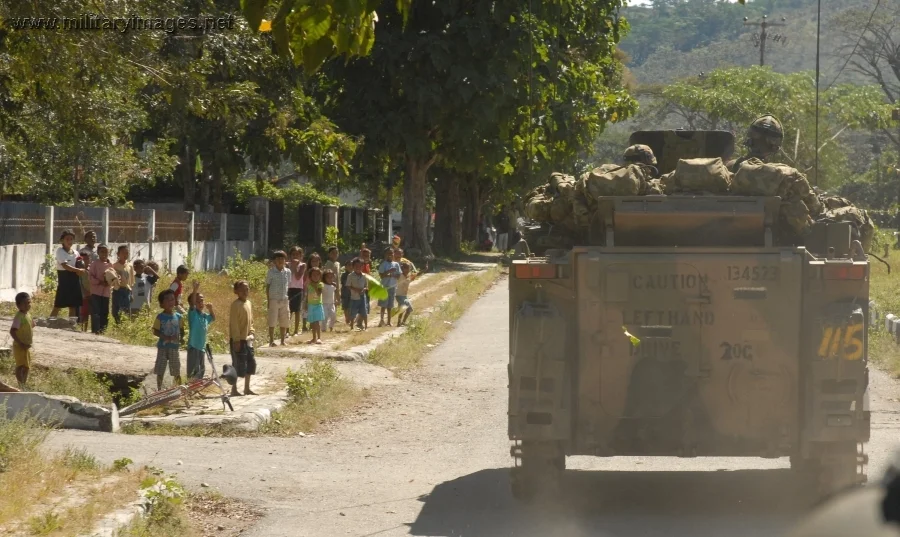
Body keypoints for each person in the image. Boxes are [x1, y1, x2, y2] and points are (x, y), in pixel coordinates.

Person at [152, 289, 184, 390]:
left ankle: (179, 389)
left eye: (172, 299)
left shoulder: (178, 317)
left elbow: (182, 330)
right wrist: (164, 336)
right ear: (162, 304)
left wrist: (181, 339)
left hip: (174, 348)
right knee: (160, 369)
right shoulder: (160, 317)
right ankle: (159, 390)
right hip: (162, 347)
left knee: (176, 370)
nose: (171, 302)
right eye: (167, 300)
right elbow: (155, 330)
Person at [50, 229, 86, 320]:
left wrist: (82, 268)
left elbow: (79, 262)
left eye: (71, 239)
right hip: (64, 280)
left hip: (74, 280)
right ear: (62, 240)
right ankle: (50, 322)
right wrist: (77, 270)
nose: (69, 241)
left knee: (73, 305)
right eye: (67, 239)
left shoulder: (76, 252)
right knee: (58, 305)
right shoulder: (60, 251)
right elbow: (65, 266)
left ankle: (71, 324)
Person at [229, 280, 256, 396]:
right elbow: (234, 324)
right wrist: (236, 340)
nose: (245, 292)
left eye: (247, 289)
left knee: (250, 363)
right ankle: (234, 389)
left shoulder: (249, 303)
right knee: (237, 364)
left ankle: (246, 388)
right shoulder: (235, 305)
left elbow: (251, 321)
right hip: (238, 340)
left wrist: (252, 332)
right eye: (242, 290)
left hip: (248, 339)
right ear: (236, 291)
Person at [186, 290, 215, 380]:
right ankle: (190, 387)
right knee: (193, 370)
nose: (200, 303)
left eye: (202, 301)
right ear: (193, 303)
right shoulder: (193, 314)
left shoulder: (204, 316)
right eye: (197, 301)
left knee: (201, 369)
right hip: (193, 346)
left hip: (201, 347)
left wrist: (210, 309)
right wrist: (195, 289)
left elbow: (213, 318)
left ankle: (197, 386)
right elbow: (192, 305)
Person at [265, 250, 291, 347]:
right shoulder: (271, 272)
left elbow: (288, 284)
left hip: (284, 299)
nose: (280, 260)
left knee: (284, 320)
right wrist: (268, 300)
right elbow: (267, 286)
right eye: (278, 259)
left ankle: (283, 340)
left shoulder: (288, 272)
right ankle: (271, 340)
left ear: (285, 260)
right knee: (272, 320)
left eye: (282, 258)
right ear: (275, 261)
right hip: (274, 299)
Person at [9, 292, 34, 389]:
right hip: (19, 346)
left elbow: (31, 325)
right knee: (20, 366)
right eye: (25, 303)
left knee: (26, 366)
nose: (28, 305)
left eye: (29, 303)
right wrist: (21, 343)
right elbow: (12, 331)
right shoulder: (19, 317)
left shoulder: (27, 315)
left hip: (26, 346)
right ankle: (21, 385)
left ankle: (24, 384)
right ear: (18, 305)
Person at [88, 244, 115, 334]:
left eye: (106, 252)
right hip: (96, 292)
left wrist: (110, 282)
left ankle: (103, 331)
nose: (104, 254)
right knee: (96, 312)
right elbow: (90, 277)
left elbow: (113, 277)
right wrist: (99, 282)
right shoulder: (94, 264)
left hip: (106, 292)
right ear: (98, 253)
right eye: (102, 252)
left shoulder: (110, 264)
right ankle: (95, 330)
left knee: (105, 312)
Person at [377, 248, 401, 327]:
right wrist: (388, 272)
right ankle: (381, 320)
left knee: (390, 305)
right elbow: (381, 276)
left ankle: (389, 321)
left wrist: (393, 275)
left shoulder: (396, 264)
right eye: (388, 253)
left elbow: (398, 275)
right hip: (384, 286)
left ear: (394, 254)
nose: (390, 255)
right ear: (386, 255)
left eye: (392, 253)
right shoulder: (383, 264)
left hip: (392, 286)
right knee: (383, 305)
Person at [111, 245, 134, 324]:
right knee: (116, 310)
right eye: (123, 253)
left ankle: (125, 325)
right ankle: (117, 324)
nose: (125, 255)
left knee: (126, 310)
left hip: (127, 290)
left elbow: (131, 281)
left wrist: (131, 293)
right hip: (118, 290)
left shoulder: (130, 266)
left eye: (127, 253)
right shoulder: (114, 266)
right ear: (118, 254)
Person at [287, 246, 306, 336]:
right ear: (290, 255)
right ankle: (286, 330)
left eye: (297, 254)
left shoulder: (302, 265)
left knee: (297, 310)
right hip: (288, 288)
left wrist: (294, 266)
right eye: (293, 254)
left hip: (298, 289)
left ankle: (295, 330)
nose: (295, 256)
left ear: (301, 256)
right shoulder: (287, 264)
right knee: (288, 310)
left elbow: (298, 277)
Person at [347, 257, 368, 331]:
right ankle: (352, 326)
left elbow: (366, 286)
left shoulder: (364, 276)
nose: (358, 268)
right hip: (354, 297)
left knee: (364, 312)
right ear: (353, 267)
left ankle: (366, 327)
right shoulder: (350, 276)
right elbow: (348, 286)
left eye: (360, 266)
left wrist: (364, 289)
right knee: (353, 312)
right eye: (356, 266)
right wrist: (356, 290)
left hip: (362, 297)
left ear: (362, 267)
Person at [305, 267, 325, 344]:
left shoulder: (320, 284)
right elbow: (307, 295)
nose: (316, 276)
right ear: (310, 277)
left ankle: (319, 338)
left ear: (320, 276)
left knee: (317, 322)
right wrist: (306, 304)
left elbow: (319, 293)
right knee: (312, 322)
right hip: (310, 305)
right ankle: (313, 338)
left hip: (318, 305)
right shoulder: (309, 285)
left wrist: (314, 285)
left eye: (317, 275)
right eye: (313, 275)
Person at [395, 262, 417, 327]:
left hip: (404, 296)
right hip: (399, 295)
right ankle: (399, 322)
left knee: (408, 309)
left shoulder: (408, 276)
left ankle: (402, 322)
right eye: (405, 268)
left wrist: (425, 269)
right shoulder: (400, 275)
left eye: (408, 268)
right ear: (402, 269)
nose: (407, 270)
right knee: (403, 308)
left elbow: (416, 274)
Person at [76, 249, 92, 331]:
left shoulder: (91, 270)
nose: (86, 261)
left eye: (87, 259)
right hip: (84, 295)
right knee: (83, 313)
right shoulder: (80, 271)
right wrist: (85, 292)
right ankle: (82, 329)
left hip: (91, 294)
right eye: (84, 259)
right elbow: (80, 283)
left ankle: (86, 328)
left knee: (89, 313)